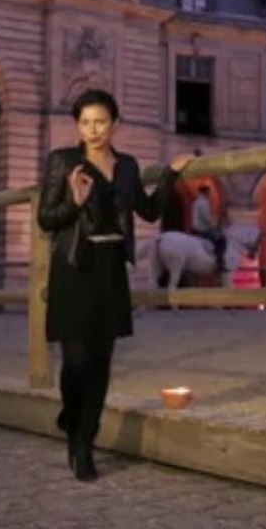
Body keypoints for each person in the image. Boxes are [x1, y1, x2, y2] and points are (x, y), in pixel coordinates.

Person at [38, 88, 192, 482]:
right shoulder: (63, 161)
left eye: (101, 122)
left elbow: (149, 211)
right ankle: (72, 417)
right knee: (76, 360)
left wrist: (172, 174)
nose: (93, 130)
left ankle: (83, 442)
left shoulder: (126, 166)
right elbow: (46, 218)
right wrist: (74, 201)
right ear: (77, 126)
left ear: (115, 124)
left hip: (109, 268)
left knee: (101, 361)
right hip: (74, 267)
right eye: (85, 122)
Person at [190, 185, 227, 275]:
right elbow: (206, 217)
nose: (209, 194)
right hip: (202, 229)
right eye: (208, 192)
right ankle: (219, 263)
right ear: (205, 192)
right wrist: (215, 224)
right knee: (221, 240)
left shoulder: (196, 202)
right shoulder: (203, 202)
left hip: (195, 227)